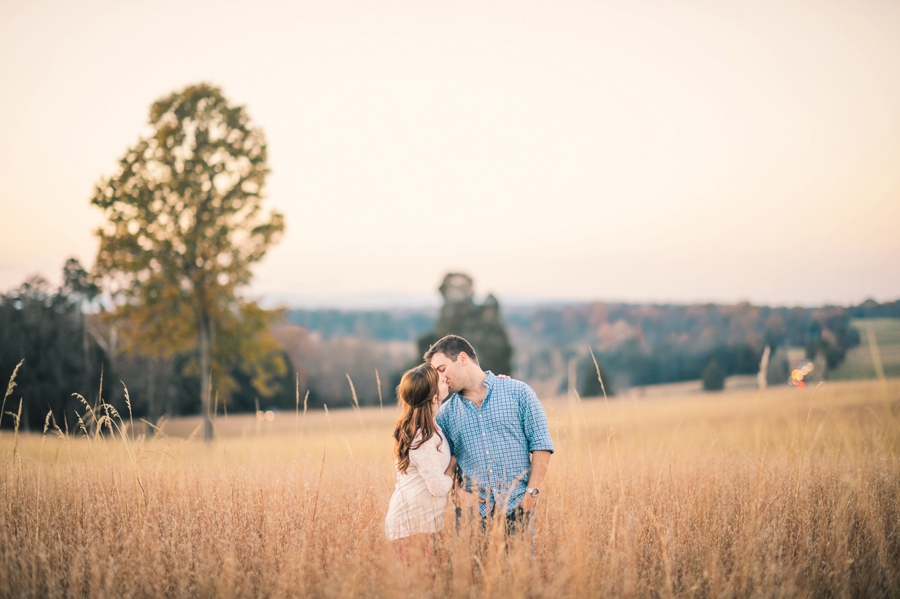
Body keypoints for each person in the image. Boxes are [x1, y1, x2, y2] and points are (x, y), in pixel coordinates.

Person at [427, 334, 554, 536]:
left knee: (519, 569)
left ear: (462, 358)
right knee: (473, 569)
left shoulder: (519, 392)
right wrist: (457, 492)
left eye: (442, 369)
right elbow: (442, 463)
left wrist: (531, 494)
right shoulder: (445, 413)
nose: (440, 378)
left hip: (518, 508)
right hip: (472, 515)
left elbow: (541, 444)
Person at [384, 363, 457, 559]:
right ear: (434, 397)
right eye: (440, 379)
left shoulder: (431, 426)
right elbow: (438, 488)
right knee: (418, 587)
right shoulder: (421, 437)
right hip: (411, 528)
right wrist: (452, 466)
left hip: (422, 526)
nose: (445, 377)